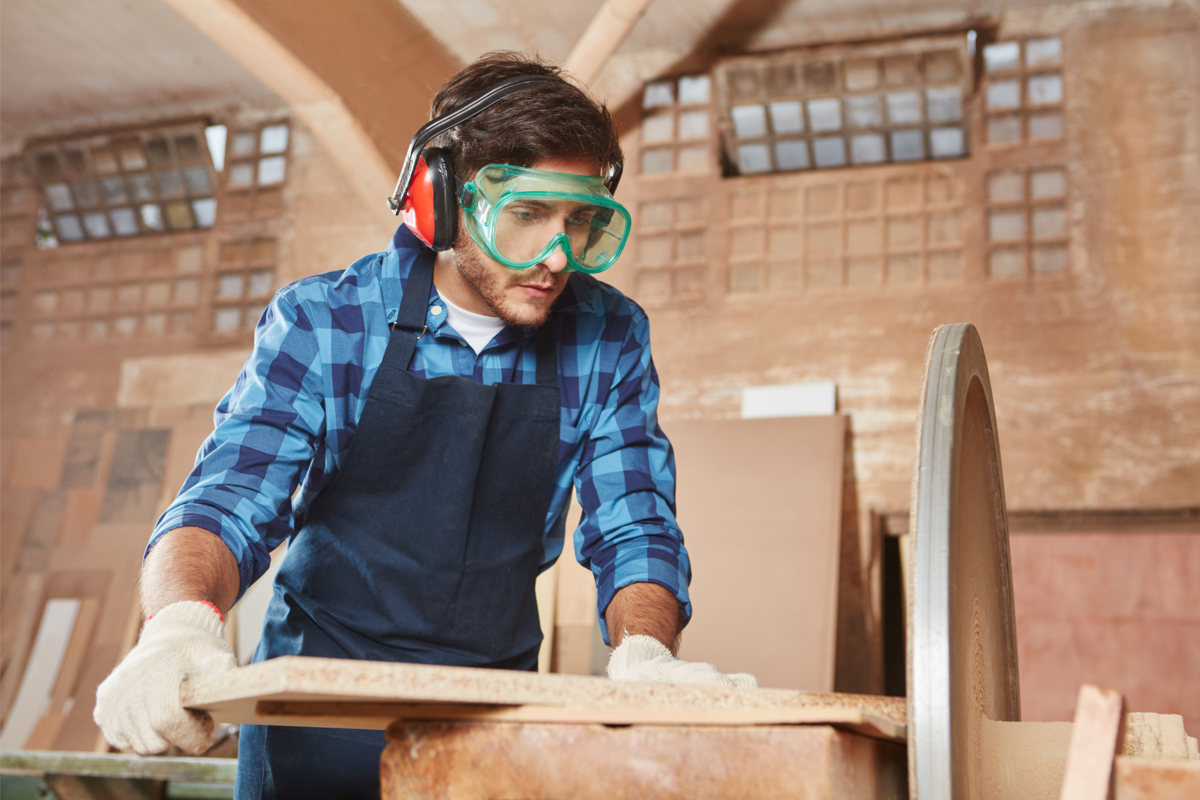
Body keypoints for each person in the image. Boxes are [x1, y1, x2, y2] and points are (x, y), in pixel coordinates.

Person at [94, 52, 756, 799]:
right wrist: (179, 624)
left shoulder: (607, 336)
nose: (556, 256)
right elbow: (228, 498)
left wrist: (646, 653)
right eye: (528, 215)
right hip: (316, 704)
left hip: (490, 713)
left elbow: (634, 523)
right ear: (444, 201)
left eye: (582, 223)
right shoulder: (327, 320)